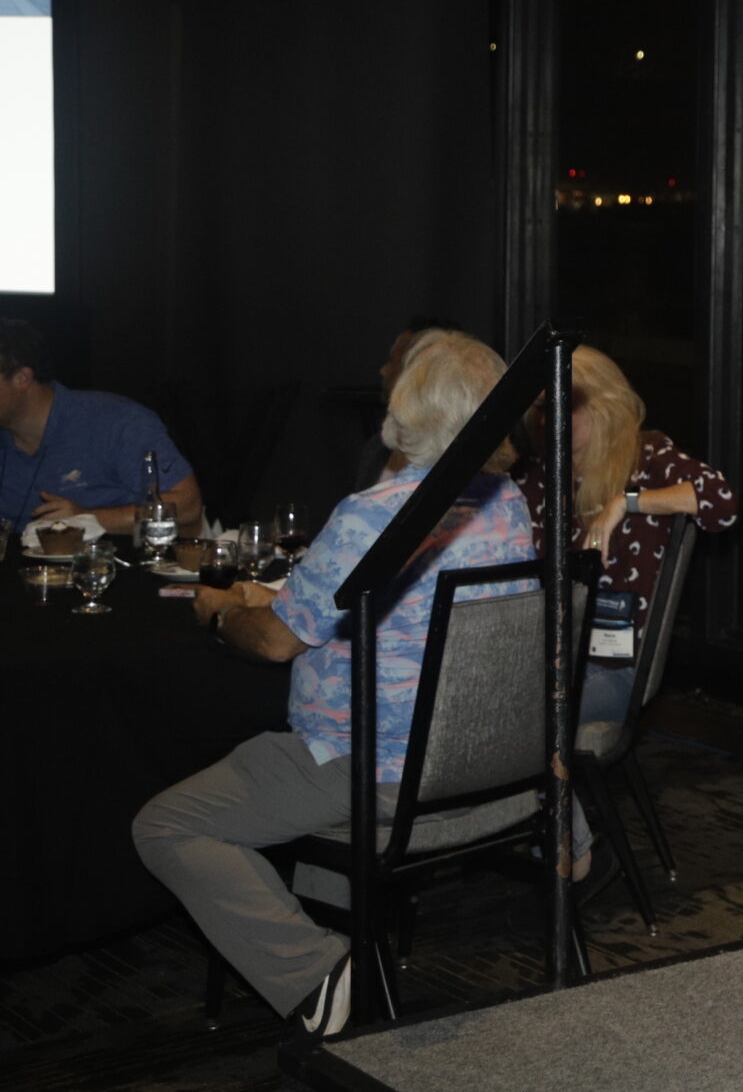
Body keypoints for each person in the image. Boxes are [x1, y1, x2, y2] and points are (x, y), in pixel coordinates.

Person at [132, 331, 536, 1038]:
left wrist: (222, 610)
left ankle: (317, 971)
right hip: (480, 757)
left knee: (165, 822)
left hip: (372, 769)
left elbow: (276, 641)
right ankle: (337, 954)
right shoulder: (508, 503)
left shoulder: (370, 518)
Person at [507, 344, 738, 732]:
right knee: (470, 699)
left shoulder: (644, 457)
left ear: (603, 406)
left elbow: (721, 501)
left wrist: (624, 503)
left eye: (565, 407)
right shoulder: (538, 473)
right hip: (542, 656)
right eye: (543, 410)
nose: (549, 422)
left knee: (511, 715)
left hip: (614, 667)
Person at [0, 317, 204, 533]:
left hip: (114, 563)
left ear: (22, 379)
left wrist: (89, 520)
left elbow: (187, 506)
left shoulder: (115, 421)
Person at [355, 313, 468, 488]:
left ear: (420, 373)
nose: (383, 371)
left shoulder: (460, 457)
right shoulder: (376, 449)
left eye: (394, 362)